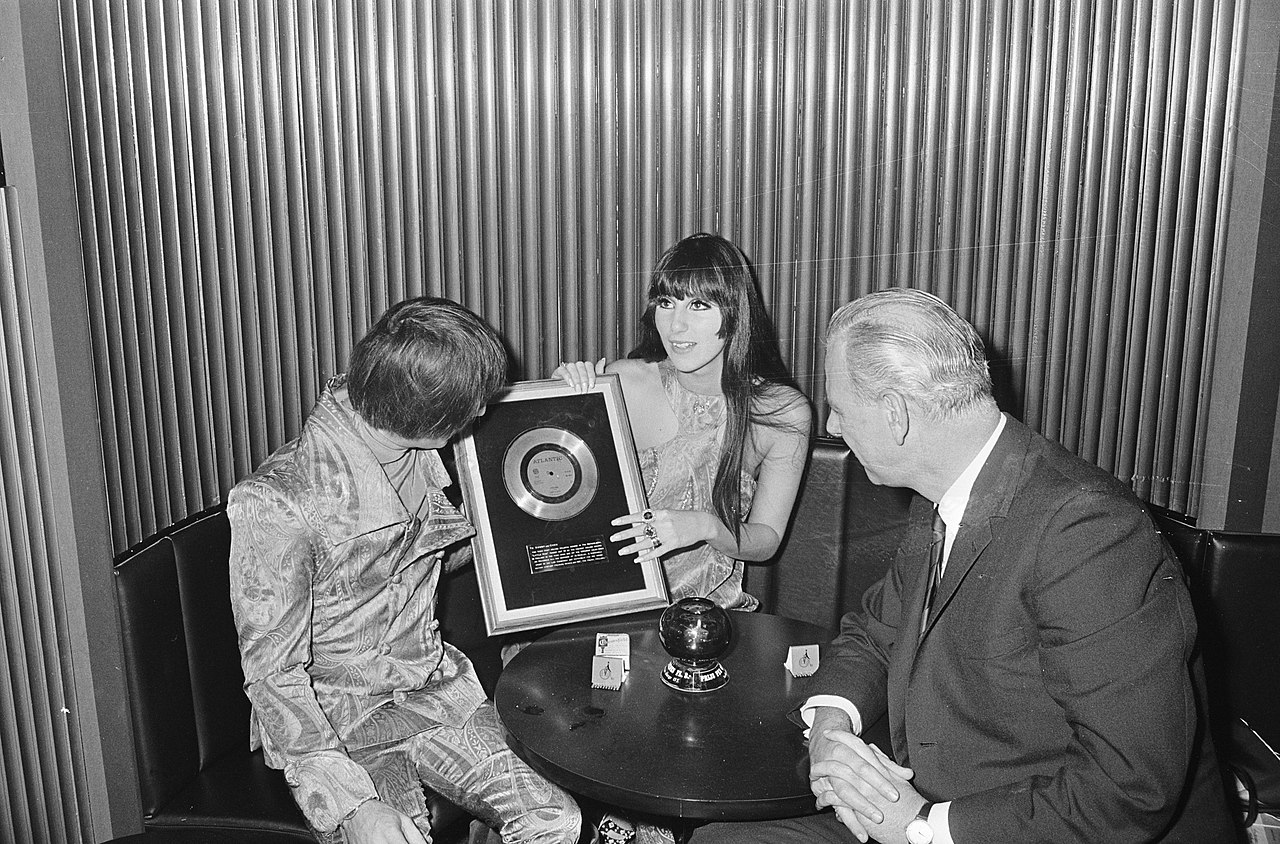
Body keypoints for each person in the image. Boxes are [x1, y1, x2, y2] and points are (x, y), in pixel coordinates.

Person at [692, 288, 1233, 843]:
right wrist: (832, 725)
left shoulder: (1089, 534)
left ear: (897, 417)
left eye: (842, 409)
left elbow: (1130, 789)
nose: (831, 426)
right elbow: (876, 633)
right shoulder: (942, 491)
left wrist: (922, 825)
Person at [228, 297, 583, 844]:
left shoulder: (412, 441)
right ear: (428, 416)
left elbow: (422, 560)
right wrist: (353, 807)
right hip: (340, 723)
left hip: (432, 693)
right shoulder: (279, 504)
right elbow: (274, 679)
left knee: (556, 820)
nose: (483, 415)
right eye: (474, 408)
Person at [557, 232, 812, 611]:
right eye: (666, 302)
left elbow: (767, 538)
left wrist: (705, 526)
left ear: (735, 312)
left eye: (699, 305)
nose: (676, 326)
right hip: (596, 603)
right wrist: (557, 400)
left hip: (703, 617)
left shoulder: (779, 412)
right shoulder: (623, 381)